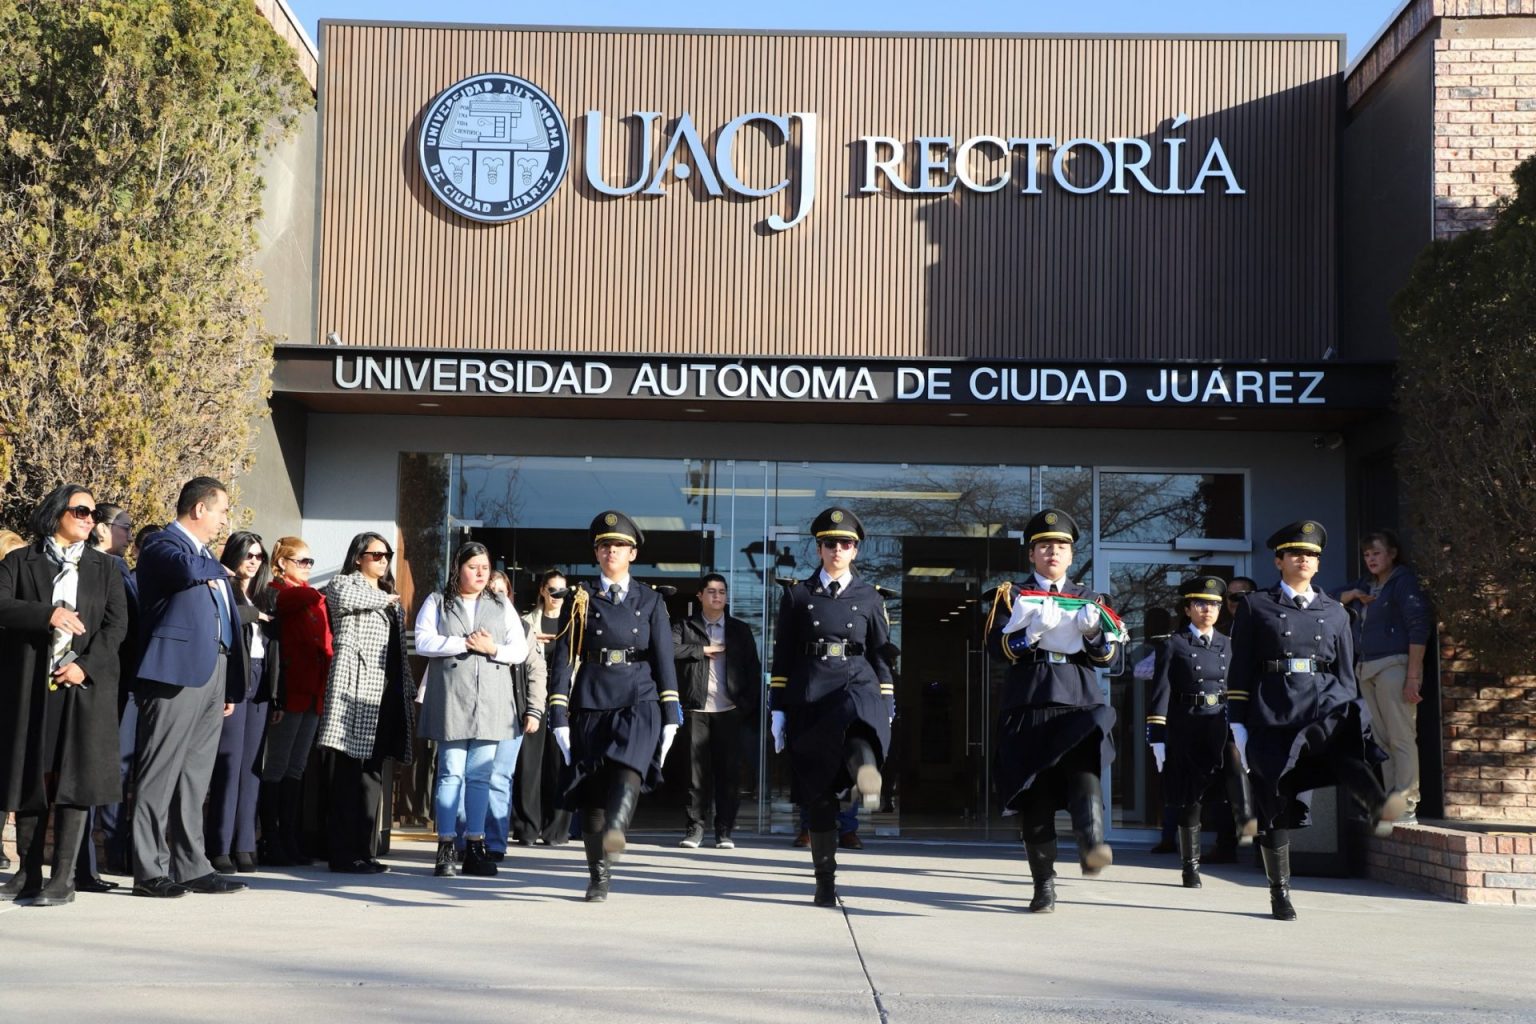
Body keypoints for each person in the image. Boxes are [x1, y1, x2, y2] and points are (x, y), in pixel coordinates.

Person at [1228, 520, 1405, 921]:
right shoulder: (1257, 605)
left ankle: (1378, 805)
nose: (1303, 560)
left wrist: (1355, 712)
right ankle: (1280, 892)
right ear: (1279, 561)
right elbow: (1240, 668)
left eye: (1311, 555)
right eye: (1295, 554)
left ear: (1318, 564)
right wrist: (1237, 722)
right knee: (1275, 801)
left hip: (1325, 702)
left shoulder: (1336, 611)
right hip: (1274, 710)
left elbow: (1345, 669)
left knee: (1346, 750)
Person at [986, 508, 1122, 914]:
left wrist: (1094, 634)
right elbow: (997, 650)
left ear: (1071, 554)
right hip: (1030, 701)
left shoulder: (1092, 599)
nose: (1053, 552)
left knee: (1084, 774)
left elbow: (1110, 659)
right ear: (1032, 554)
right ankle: (1044, 884)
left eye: (1061, 546)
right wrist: (1031, 634)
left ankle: (1092, 844)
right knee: (1036, 797)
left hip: (1078, 698)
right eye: (1044, 546)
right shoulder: (1012, 595)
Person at [0, 484, 128, 906]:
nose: (90, 519)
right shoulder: (20, 561)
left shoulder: (106, 568)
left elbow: (116, 628)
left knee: (74, 781)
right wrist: (48, 614)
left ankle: (63, 879)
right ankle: (28, 873)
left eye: (93, 513)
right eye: (81, 511)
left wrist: (84, 666)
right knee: (33, 776)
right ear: (57, 512)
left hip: (81, 687)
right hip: (32, 686)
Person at [548, 511, 682, 902]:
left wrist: (670, 714)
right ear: (596, 553)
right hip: (592, 699)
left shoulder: (651, 599)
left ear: (632, 553)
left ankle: (617, 829)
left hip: (639, 697)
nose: (612, 552)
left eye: (620, 546)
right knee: (591, 793)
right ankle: (599, 876)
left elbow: (664, 659)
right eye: (605, 546)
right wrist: (558, 714)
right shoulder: (580, 597)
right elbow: (564, 659)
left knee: (629, 768)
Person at [131, 477, 250, 898]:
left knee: (195, 777)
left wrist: (229, 685)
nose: (224, 521)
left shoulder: (205, 556)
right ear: (199, 509)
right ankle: (149, 870)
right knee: (159, 772)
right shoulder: (164, 544)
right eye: (221, 511)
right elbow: (184, 571)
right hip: (174, 674)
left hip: (213, 673)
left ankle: (192, 866)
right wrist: (219, 567)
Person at [769, 507, 894, 907]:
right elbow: (783, 655)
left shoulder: (870, 596)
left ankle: (866, 774)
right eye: (829, 543)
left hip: (857, 680)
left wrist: (888, 699)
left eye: (845, 543)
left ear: (855, 550)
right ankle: (825, 880)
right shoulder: (798, 595)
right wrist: (777, 708)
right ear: (819, 549)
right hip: (811, 691)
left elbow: (881, 653)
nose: (837, 549)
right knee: (819, 797)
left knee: (858, 726)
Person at [414, 542, 529, 877]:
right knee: (451, 771)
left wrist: (492, 648)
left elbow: (519, 650)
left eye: (485, 567)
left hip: (491, 698)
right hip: (452, 696)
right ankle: (446, 845)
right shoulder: (438, 601)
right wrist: (463, 643)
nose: (480, 573)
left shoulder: (501, 603)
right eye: (472, 566)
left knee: (481, 775)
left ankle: (476, 845)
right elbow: (423, 641)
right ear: (458, 568)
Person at [1146, 575, 1256, 889]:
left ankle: (1246, 818)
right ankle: (1190, 866)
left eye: (1214, 605)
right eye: (1200, 604)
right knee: (1190, 799)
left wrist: (1244, 723)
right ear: (1187, 608)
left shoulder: (1229, 644)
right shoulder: (1174, 643)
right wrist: (1157, 735)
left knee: (1233, 760)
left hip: (1220, 721)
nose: (1208, 610)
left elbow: (1238, 688)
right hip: (1187, 725)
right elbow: (1161, 691)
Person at [318, 531, 416, 874]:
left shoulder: (389, 597)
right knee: (348, 775)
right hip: (355, 689)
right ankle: (343, 854)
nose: (383, 560)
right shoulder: (344, 584)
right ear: (359, 557)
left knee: (373, 774)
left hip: (385, 693)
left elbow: (398, 651)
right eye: (376, 554)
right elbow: (344, 597)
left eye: (387, 554)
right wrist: (387, 600)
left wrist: (408, 687)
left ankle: (366, 850)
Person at [1335, 530, 1431, 825]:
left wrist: (1412, 676)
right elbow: (1325, 599)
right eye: (1366, 555)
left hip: (1395, 665)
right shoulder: (1365, 584)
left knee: (1401, 736)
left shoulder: (1403, 582)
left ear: (1392, 553)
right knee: (1381, 739)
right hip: (1366, 668)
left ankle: (1406, 802)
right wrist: (1352, 595)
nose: (1371, 559)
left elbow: (1419, 626)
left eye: (1376, 553)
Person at [205, 532, 278, 874]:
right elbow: (223, 619)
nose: (253, 561)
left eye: (259, 556)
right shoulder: (222, 586)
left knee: (252, 767)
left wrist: (277, 695)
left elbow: (277, 647)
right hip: (234, 677)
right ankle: (219, 846)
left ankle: (245, 844)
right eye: (248, 554)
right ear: (234, 554)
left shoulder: (267, 595)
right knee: (229, 764)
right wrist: (253, 615)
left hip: (262, 679)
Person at [673, 573, 762, 850]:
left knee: (729, 774)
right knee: (695, 774)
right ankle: (695, 829)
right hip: (696, 708)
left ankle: (724, 831)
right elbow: (668, 650)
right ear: (700, 595)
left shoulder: (739, 630)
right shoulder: (685, 625)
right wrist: (701, 650)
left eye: (722, 592)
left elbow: (753, 670)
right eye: (711, 591)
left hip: (729, 710)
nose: (717, 596)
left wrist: (744, 706)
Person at [259, 536, 330, 866]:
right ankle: (271, 838)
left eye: (309, 561)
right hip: (290, 690)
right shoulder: (277, 591)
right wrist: (315, 594)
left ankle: (289, 837)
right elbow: (287, 603)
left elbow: (325, 642)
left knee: (296, 766)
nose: (307, 567)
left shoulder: (311, 597)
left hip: (313, 690)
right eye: (301, 561)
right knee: (277, 764)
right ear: (281, 563)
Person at [470, 569, 544, 861]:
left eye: (502, 591)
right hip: (475, 714)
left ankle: (496, 844)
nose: (497, 596)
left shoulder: (523, 629)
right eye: (491, 591)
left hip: (511, 714)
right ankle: (465, 840)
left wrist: (534, 709)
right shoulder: (470, 625)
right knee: (471, 776)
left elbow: (536, 670)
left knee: (500, 778)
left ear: (510, 596)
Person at [512, 570, 573, 846]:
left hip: (564, 698)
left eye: (563, 591)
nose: (557, 596)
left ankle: (555, 830)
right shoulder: (525, 622)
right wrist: (531, 641)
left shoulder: (573, 623)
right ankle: (527, 827)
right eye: (552, 590)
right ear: (542, 591)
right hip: (533, 697)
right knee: (529, 764)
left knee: (559, 763)